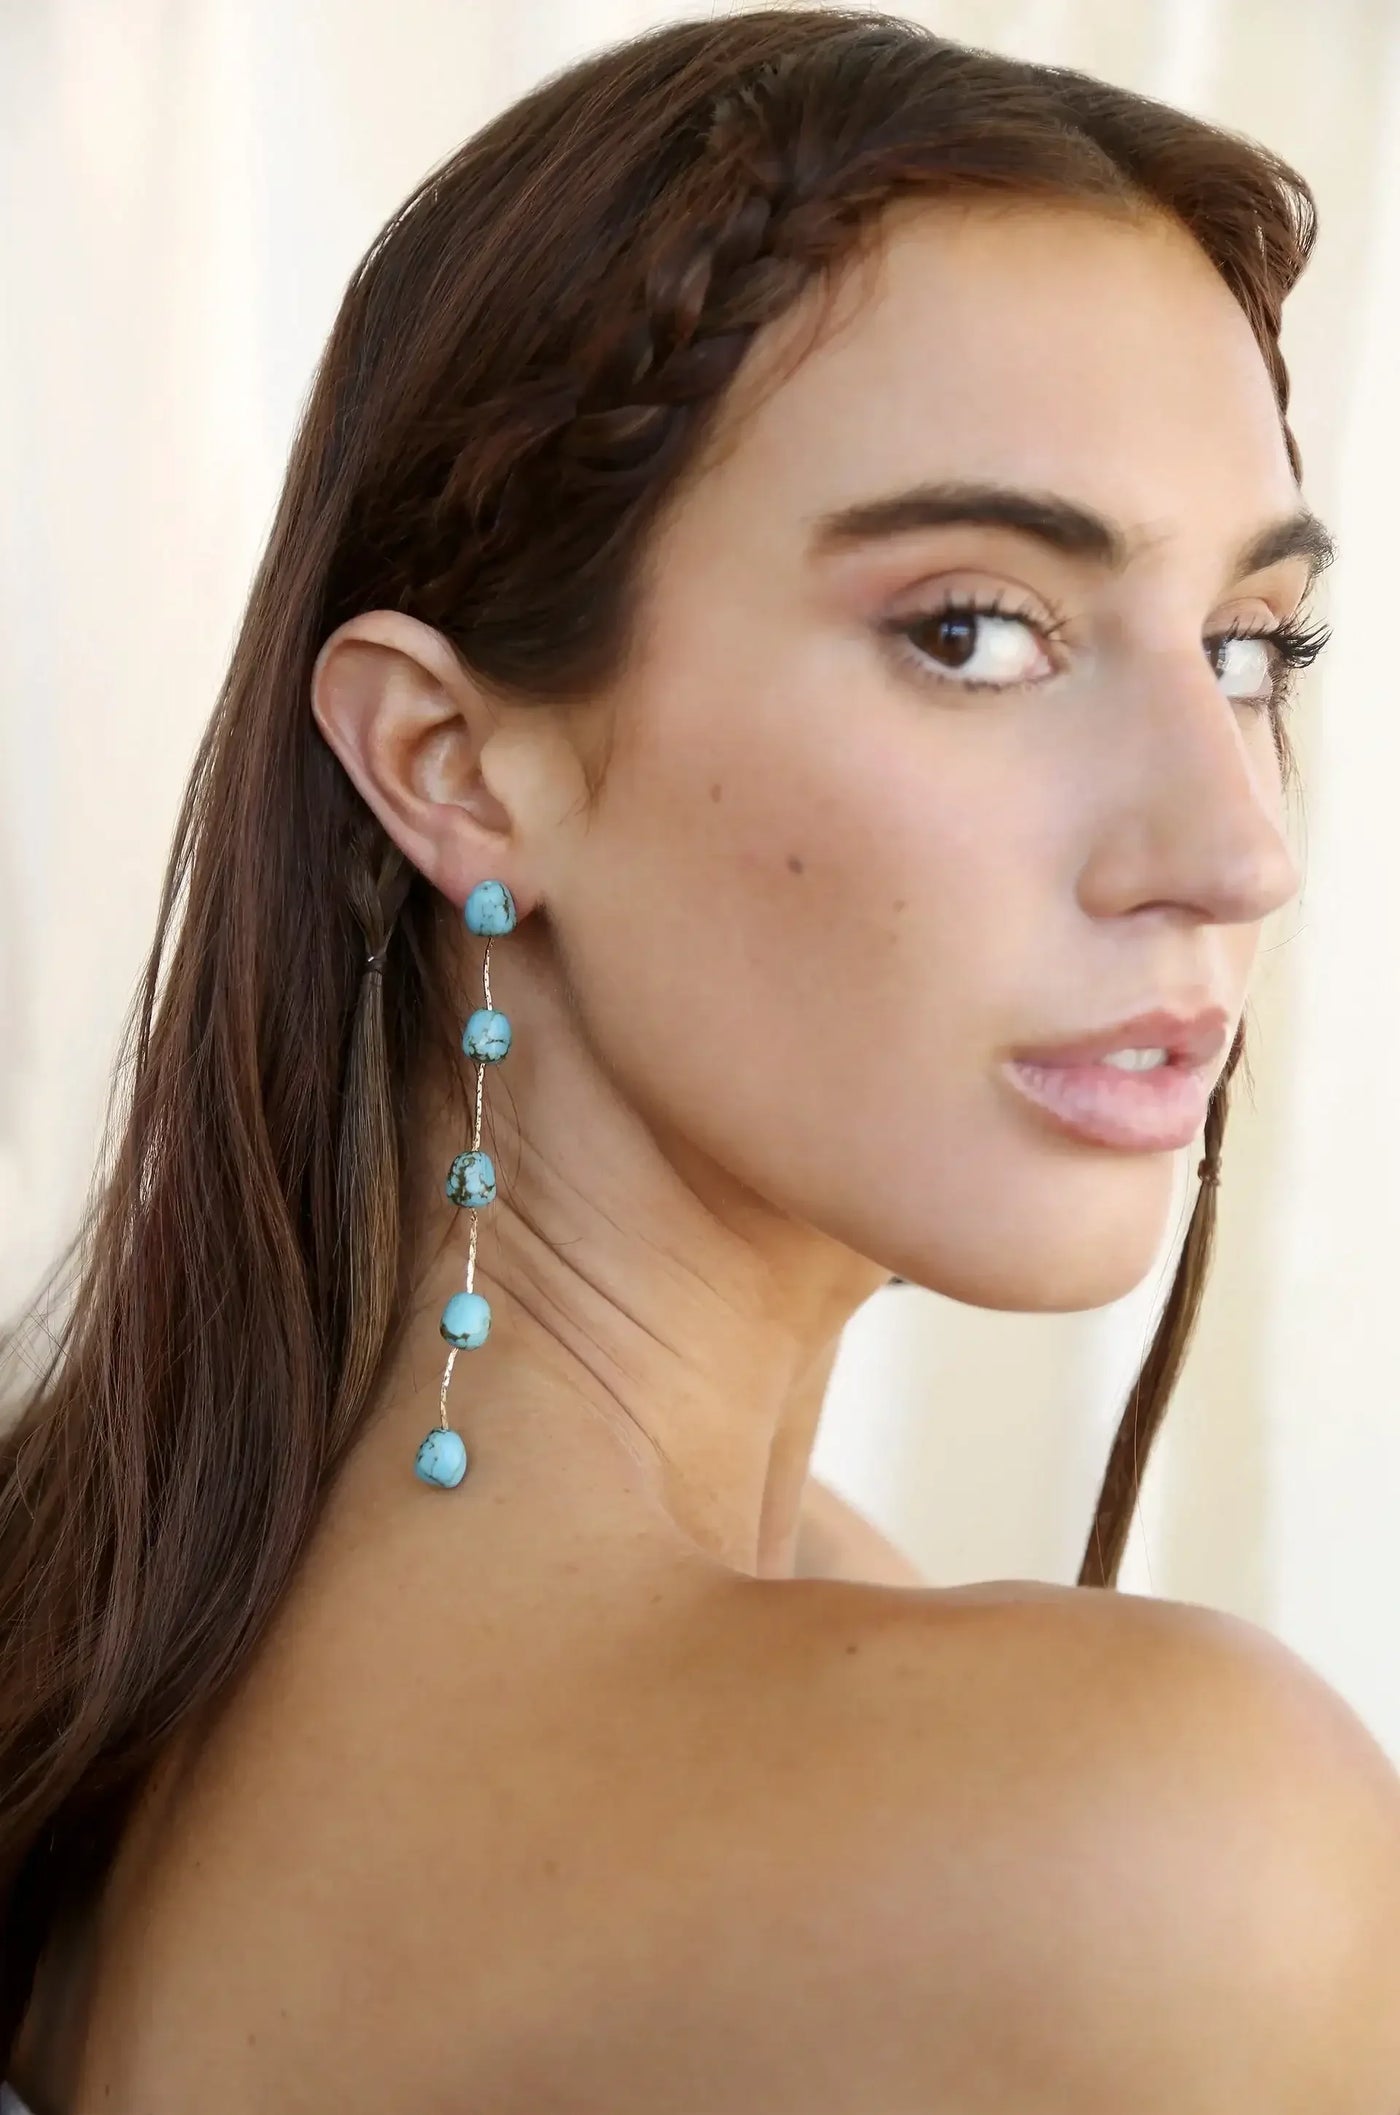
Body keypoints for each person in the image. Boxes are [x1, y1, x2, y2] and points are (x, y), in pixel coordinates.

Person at [2, 9, 1398, 2109]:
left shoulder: (95, 1627)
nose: (1235, 845)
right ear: (451, 764)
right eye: (973, 628)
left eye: (1247, 648)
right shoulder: (1150, 1841)